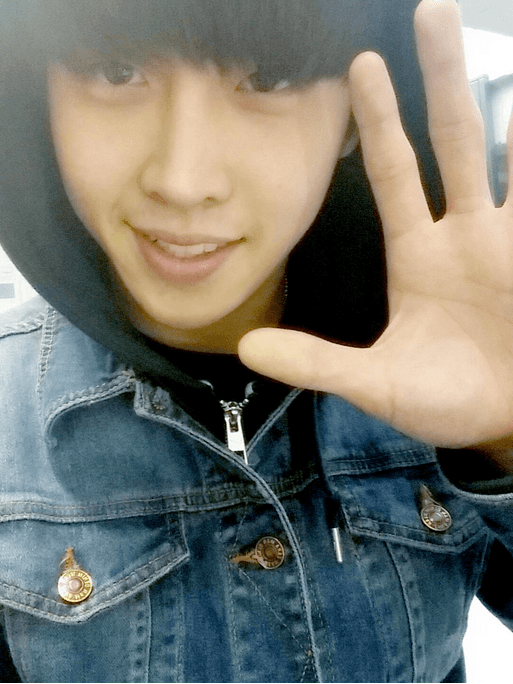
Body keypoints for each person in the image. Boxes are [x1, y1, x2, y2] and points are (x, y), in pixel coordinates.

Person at [0, 0, 512, 681]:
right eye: (116, 72)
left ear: (352, 116)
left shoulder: (447, 359)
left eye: (268, 79)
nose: (183, 182)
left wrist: (503, 448)